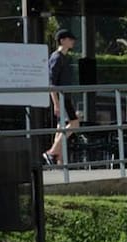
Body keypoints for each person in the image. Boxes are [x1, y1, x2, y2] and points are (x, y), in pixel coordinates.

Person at [44, 29, 80, 166]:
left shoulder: (63, 58)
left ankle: (59, 161)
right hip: (62, 97)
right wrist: (56, 103)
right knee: (74, 124)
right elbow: (52, 83)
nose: (73, 41)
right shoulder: (57, 57)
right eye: (70, 39)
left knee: (61, 128)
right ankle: (52, 152)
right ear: (62, 40)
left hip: (65, 96)